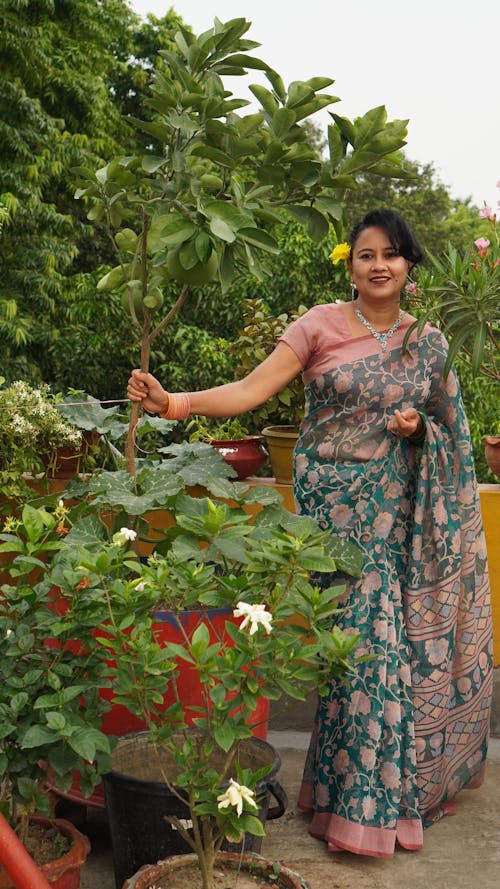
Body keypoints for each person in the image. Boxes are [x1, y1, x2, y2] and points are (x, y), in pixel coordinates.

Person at [127, 208, 492, 859]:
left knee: (377, 652)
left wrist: (418, 430)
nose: (379, 265)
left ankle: (359, 810)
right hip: (330, 516)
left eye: (392, 253)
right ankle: (357, 806)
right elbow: (249, 389)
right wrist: (173, 403)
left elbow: (456, 439)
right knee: (356, 655)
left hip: (394, 517)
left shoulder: (428, 344)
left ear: (410, 264)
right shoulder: (318, 325)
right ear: (350, 265)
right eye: (366, 254)